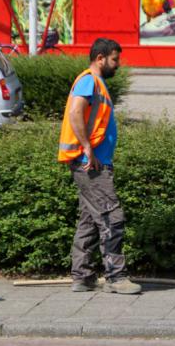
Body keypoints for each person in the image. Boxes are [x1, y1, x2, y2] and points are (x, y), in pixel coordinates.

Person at [58, 38, 141, 295]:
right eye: (115, 59)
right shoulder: (89, 81)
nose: (118, 64)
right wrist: (87, 147)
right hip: (91, 165)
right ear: (100, 58)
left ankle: (82, 277)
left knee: (89, 221)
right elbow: (75, 112)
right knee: (111, 217)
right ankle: (116, 277)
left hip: (90, 163)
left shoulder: (96, 83)